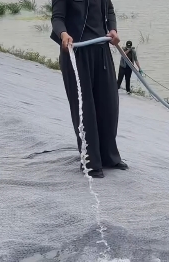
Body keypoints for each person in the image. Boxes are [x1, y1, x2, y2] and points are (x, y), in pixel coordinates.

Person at [51, 0, 128, 178]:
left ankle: (109, 156)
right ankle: (90, 161)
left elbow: (109, 10)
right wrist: (63, 34)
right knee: (84, 108)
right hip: (76, 53)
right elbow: (57, 18)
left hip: (101, 51)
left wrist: (113, 29)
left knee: (109, 104)